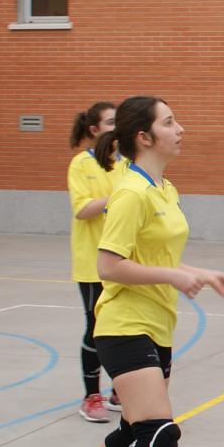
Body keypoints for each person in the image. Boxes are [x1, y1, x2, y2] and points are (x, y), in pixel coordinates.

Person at [58, 96, 224, 447]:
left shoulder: (162, 188)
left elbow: (157, 253)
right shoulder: (131, 193)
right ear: (145, 137)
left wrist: (201, 272)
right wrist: (172, 276)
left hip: (157, 324)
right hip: (122, 325)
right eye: (169, 122)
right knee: (160, 433)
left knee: (132, 429)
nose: (180, 128)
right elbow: (109, 265)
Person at [68, 101, 126, 422]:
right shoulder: (81, 164)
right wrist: (116, 200)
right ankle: (91, 396)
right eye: (110, 123)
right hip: (93, 262)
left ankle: (120, 389)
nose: (117, 128)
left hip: (122, 261)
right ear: (94, 129)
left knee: (121, 328)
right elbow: (82, 209)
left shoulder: (125, 164)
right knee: (95, 327)